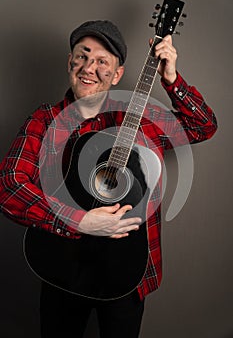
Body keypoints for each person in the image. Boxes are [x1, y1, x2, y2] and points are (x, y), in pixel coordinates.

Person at [0, 20, 217, 338]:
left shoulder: (141, 119)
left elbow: (203, 126)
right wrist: (79, 221)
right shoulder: (45, 119)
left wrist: (171, 79)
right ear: (70, 62)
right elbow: (8, 186)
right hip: (61, 266)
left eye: (102, 61)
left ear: (117, 75)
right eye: (82, 56)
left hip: (127, 270)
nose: (89, 68)